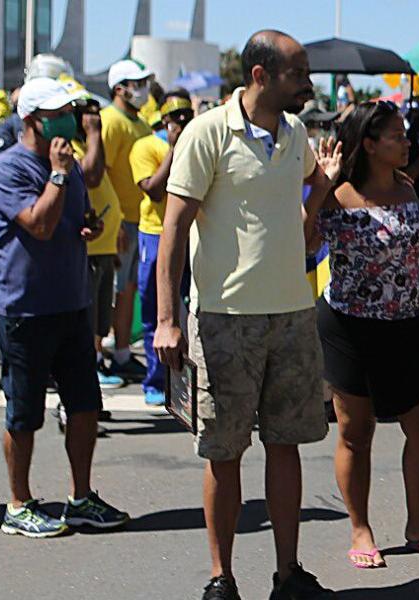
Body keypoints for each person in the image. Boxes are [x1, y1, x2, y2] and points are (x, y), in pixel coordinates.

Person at [153, 30, 338, 600]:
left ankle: (288, 574)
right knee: (224, 451)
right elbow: (174, 227)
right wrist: (167, 318)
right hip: (224, 319)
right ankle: (221, 579)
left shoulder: (298, 132)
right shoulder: (209, 132)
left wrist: (318, 200)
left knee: (287, 444)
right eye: (298, 72)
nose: (308, 83)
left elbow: (312, 183)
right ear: (261, 75)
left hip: (291, 315)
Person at [315, 99, 419, 569]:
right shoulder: (337, 195)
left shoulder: (407, 187)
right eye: (396, 135)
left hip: (410, 324)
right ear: (370, 144)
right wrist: (320, 186)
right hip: (351, 328)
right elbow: (302, 244)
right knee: (357, 433)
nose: (406, 142)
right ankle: (360, 528)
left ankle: (417, 524)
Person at [0, 77, 129, 538]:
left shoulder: (61, 165)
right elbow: (39, 225)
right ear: (31, 121)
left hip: (71, 301)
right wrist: (60, 174)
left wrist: (84, 224)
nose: (67, 119)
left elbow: (67, 218)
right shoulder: (9, 169)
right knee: (24, 413)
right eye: (57, 114)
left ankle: (81, 497)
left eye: (70, 110)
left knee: (85, 404)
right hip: (24, 309)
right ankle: (18, 503)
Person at [129, 90, 195, 406]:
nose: (182, 122)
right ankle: (154, 381)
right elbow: (153, 190)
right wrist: (174, 149)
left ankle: (186, 379)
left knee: (191, 310)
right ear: (164, 119)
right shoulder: (145, 146)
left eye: (187, 116)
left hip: (192, 234)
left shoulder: (199, 143)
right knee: (157, 311)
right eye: (176, 117)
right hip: (155, 235)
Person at [66, 84, 127, 394]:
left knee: (101, 318)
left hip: (104, 246)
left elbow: (105, 180)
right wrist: (93, 134)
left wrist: (118, 228)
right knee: (87, 319)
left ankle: (96, 362)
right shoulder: (72, 147)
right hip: (86, 249)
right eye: (86, 112)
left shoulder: (89, 145)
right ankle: (85, 376)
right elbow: (90, 176)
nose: (94, 117)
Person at [101, 58, 155, 385]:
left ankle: (121, 352)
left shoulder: (141, 123)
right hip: (120, 221)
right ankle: (100, 357)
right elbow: (101, 173)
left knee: (127, 290)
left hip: (141, 221)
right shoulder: (111, 121)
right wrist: (116, 221)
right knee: (110, 291)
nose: (143, 88)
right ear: (120, 88)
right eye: (137, 83)